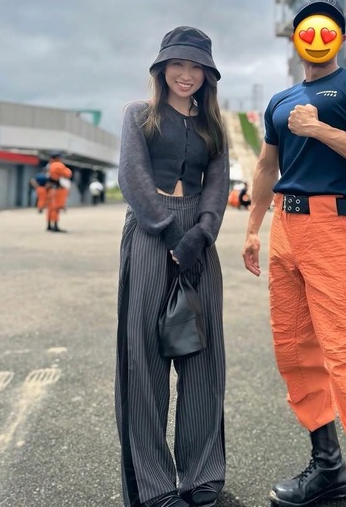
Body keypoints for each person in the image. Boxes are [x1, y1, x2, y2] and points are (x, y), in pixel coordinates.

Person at [242, 0, 346, 507]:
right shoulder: (281, 100)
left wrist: (319, 129)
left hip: (332, 226)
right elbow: (267, 167)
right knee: (294, 351)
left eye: (327, 28)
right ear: (297, 38)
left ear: (340, 38)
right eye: (308, 28)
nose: (317, 36)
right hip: (285, 229)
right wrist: (253, 228)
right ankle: (329, 469)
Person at [115, 26, 229, 507]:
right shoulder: (139, 115)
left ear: (207, 75)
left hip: (199, 237)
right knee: (143, 359)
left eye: (196, 66)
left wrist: (201, 234)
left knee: (204, 356)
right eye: (178, 64)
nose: (186, 74)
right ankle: (154, 486)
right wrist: (166, 232)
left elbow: (218, 185)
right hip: (149, 232)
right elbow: (131, 174)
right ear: (161, 69)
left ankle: (202, 476)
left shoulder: (213, 126)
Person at [45, 153, 73, 232]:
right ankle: (55, 226)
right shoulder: (58, 165)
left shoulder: (49, 166)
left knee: (50, 208)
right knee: (56, 208)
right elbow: (68, 174)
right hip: (58, 189)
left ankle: (49, 225)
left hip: (50, 189)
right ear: (57, 158)